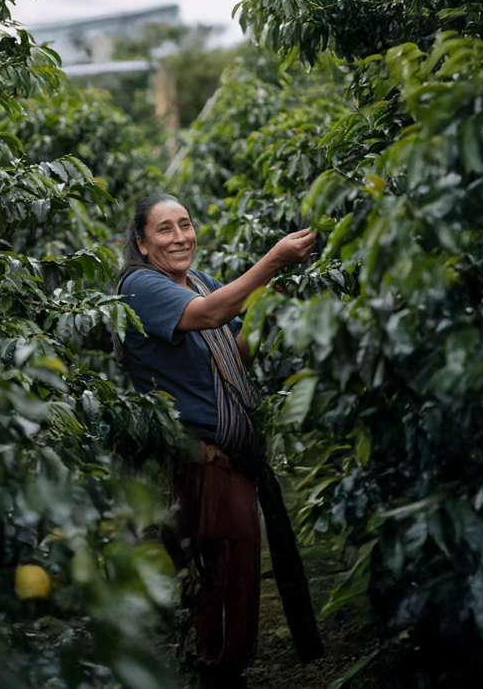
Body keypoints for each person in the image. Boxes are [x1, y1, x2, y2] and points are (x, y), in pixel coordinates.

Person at [111, 192, 316, 683]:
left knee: (232, 575)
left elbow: (237, 351)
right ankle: (212, 671)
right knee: (216, 579)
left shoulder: (200, 282)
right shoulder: (140, 284)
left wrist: (271, 302)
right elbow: (210, 316)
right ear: (141, 243)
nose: (180, 237)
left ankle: (220, 670)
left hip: (229, 460)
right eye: (164, 229)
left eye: (185, 224)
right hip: (199, 463)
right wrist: (274, 259)